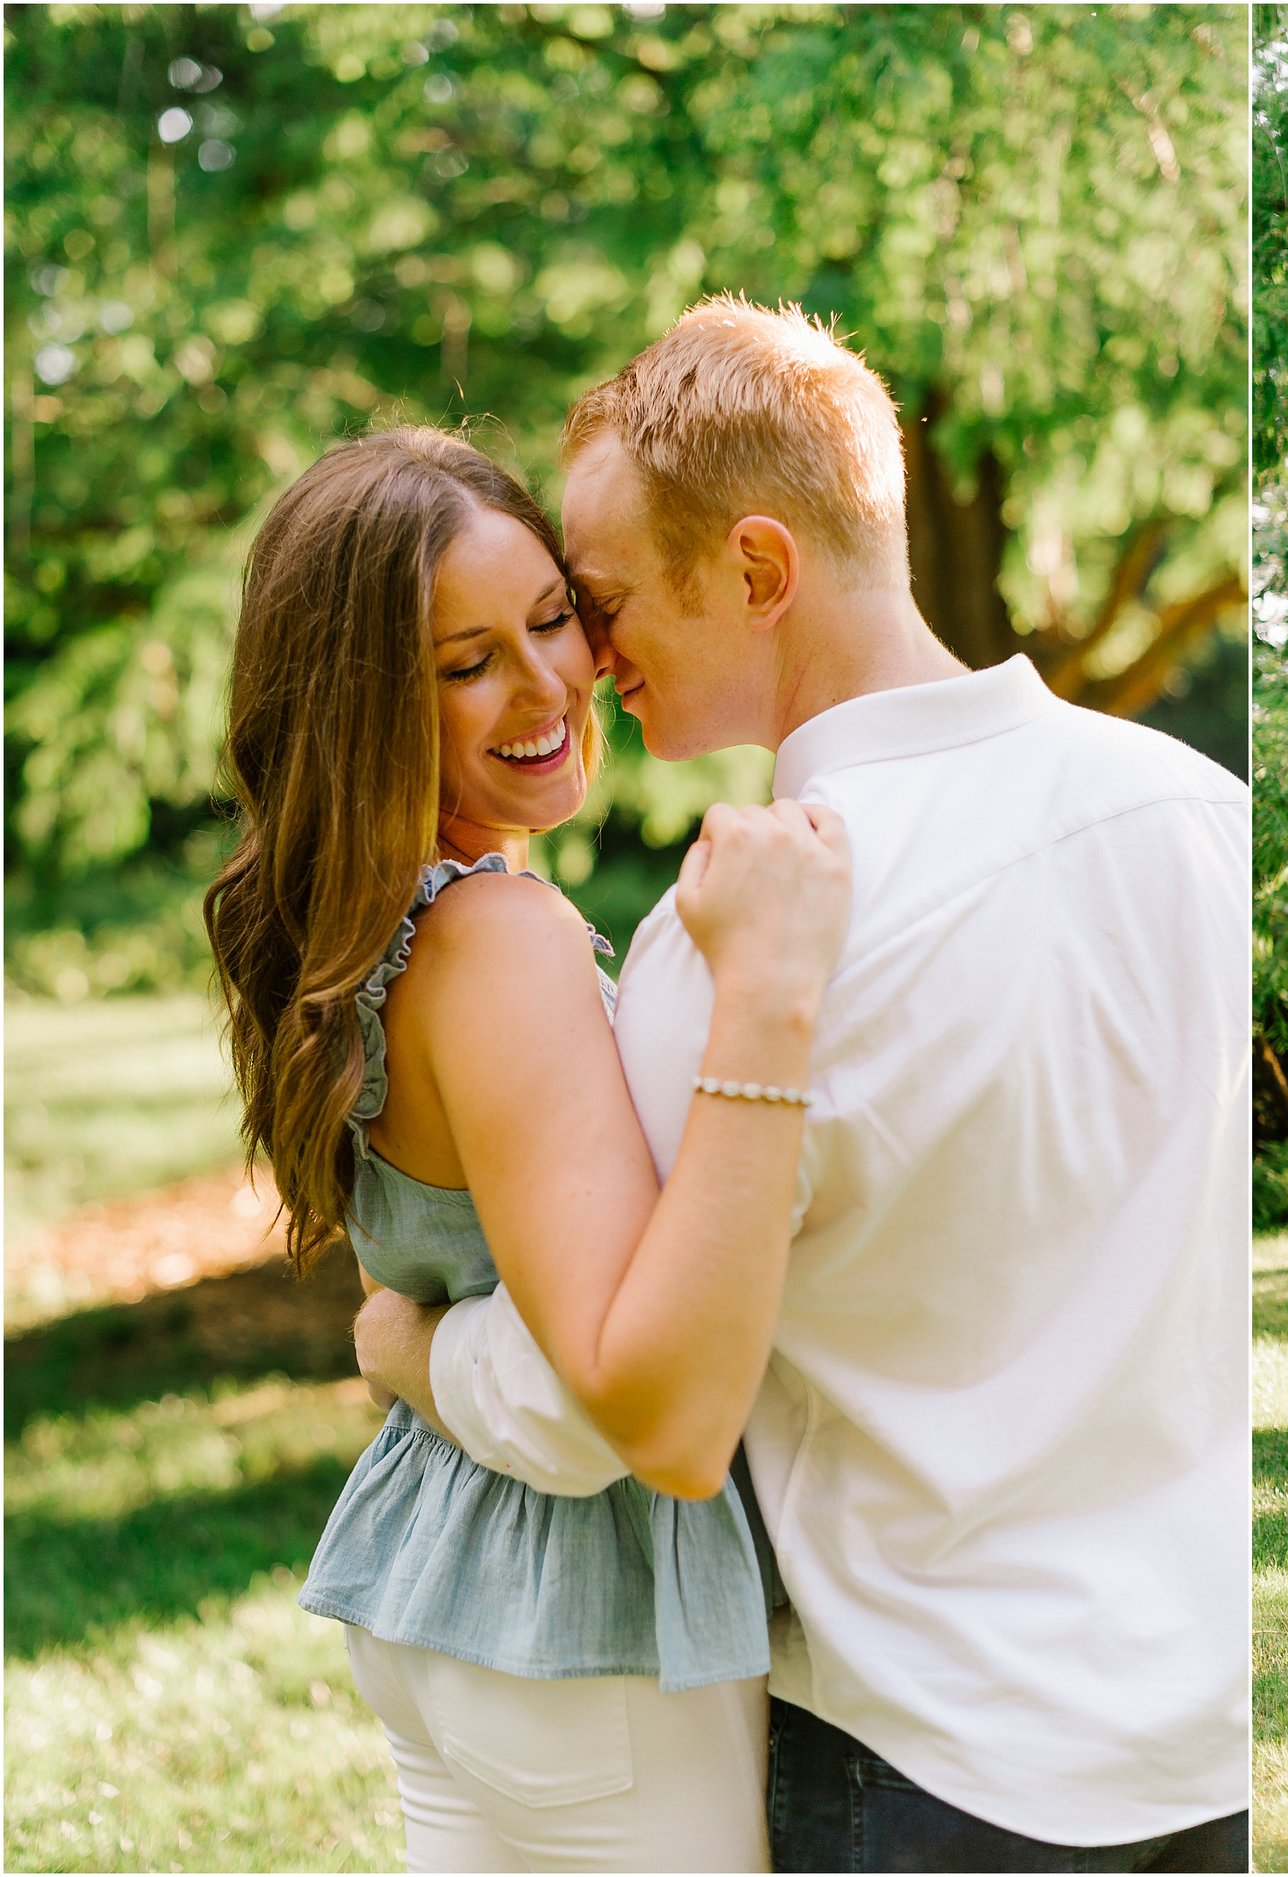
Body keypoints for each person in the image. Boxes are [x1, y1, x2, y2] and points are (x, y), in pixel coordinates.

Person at [355, 297, 1251, 1873]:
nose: (592, 655)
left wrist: (413, 1342)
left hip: (927, 1758)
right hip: (1217, 1733)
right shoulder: (1197, 812)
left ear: (760, 571)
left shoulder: (731, 950)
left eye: (605, 602)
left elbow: (605, 1394)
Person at [205, 426, 852, 1871]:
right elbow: (599, 1397)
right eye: (464, 661)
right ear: (370, 704)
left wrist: (408, 1350)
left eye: (552, 618)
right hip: (590, 1640)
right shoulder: (498, 938)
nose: (548, 684)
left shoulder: (391, 918)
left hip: (455, 1596)